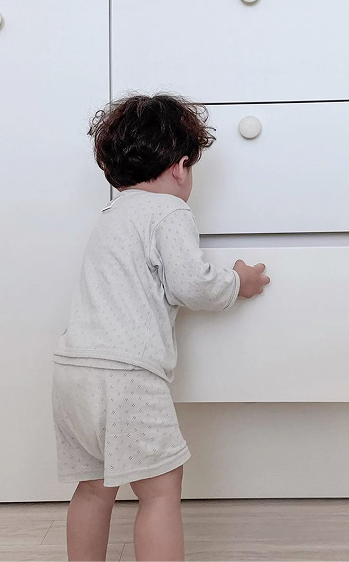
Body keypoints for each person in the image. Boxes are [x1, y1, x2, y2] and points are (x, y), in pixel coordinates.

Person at [52, 93, 270, 561]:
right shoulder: (169, 211)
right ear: (180, 167)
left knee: (92, 488)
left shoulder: (112, 215)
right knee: (160, 490)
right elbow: (192, 284)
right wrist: (239, 282)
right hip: (126, 377)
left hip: (73, 372)